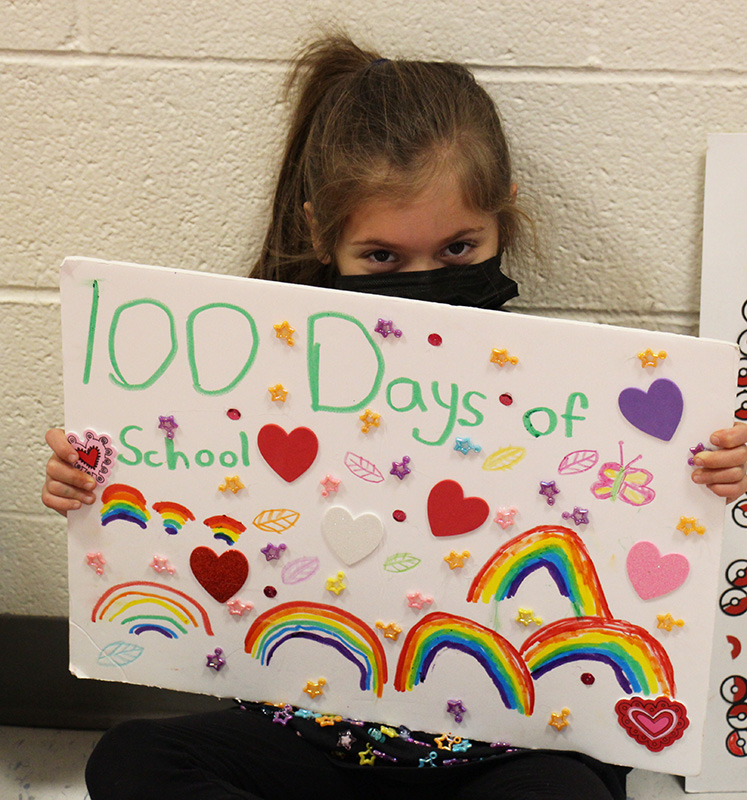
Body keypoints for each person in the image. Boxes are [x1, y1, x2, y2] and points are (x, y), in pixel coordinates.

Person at [42, 34, 747, 800]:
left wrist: (712, 474)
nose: (424, 282)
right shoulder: (254, 380)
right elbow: (182, 507)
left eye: (456, 249)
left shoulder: (572, 395)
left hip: (502, 751)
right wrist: (90, 482)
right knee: (132, 758)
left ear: (502, 217)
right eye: (381, 257)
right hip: (314, 737)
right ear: (321, 234)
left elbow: (644, 536)